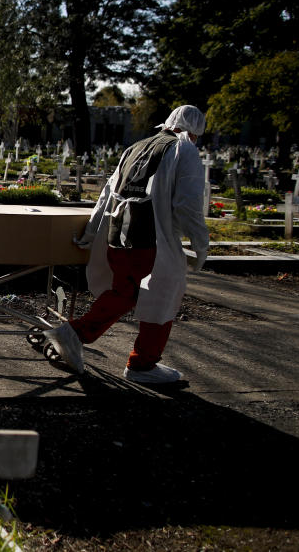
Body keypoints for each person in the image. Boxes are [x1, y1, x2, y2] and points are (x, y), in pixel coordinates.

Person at [48, 105, 210, 384]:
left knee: (124, 293)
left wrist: (91, 232)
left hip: (119, 237)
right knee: (163, 298)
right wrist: (201, 243)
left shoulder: (137, 147)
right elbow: (188, 204)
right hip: (153, 241)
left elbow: (107, 194)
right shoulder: (185, 150)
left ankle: (75, 333)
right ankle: (142, 364)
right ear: (195, 132)